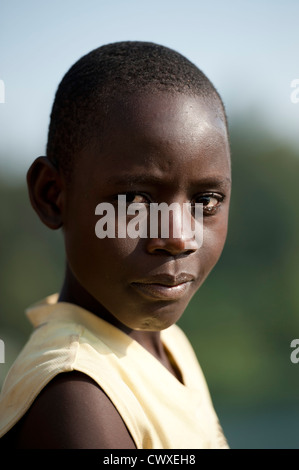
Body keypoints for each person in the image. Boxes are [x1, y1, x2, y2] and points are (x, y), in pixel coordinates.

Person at [0, 41, 231, 449]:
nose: (179, 236)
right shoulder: (77, 398)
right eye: (137, 201)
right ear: (53, 195)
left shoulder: (164, 341)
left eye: (205, 202)